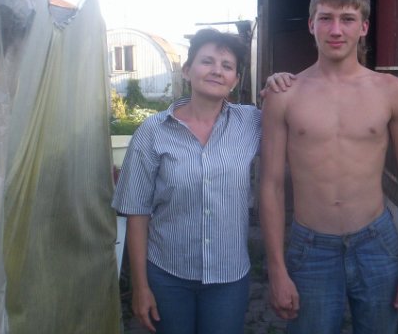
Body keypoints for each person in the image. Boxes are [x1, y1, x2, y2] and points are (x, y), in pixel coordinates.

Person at [259, 0, 398, 334]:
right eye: (326, 18)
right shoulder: (284, 94)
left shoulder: (392, 91)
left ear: (364, 27)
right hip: (311, 247)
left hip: (376, 242)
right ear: (311, 24)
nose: (336, 30)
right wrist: (276, 269)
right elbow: (270, 184)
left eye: (347, 19)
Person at [112, 28, 291, 334]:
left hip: (228, 277)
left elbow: (294, 119)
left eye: (227, 65)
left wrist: (282, 85)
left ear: (235, 79)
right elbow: (137, 212)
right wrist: (140, 286)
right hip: (168, 275)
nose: (217, 70)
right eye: (207, 61)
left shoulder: (251, 123)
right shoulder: (153, 132)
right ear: (187, 70)